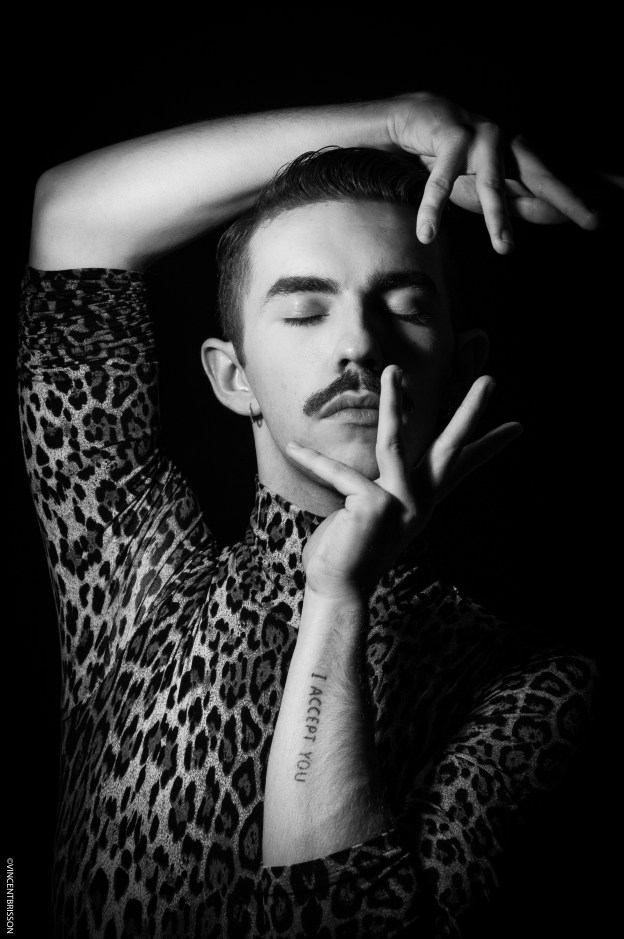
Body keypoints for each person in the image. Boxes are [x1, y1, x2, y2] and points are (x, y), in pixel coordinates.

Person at [20, 93, 597, 937]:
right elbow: (72, 217)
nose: (358, 344)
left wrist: (339, 599)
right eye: (304, 309)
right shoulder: (135, 578)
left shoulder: (535, 691)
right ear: (233, 378)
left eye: (405, 305)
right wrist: (398, 125)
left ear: (459, 365)